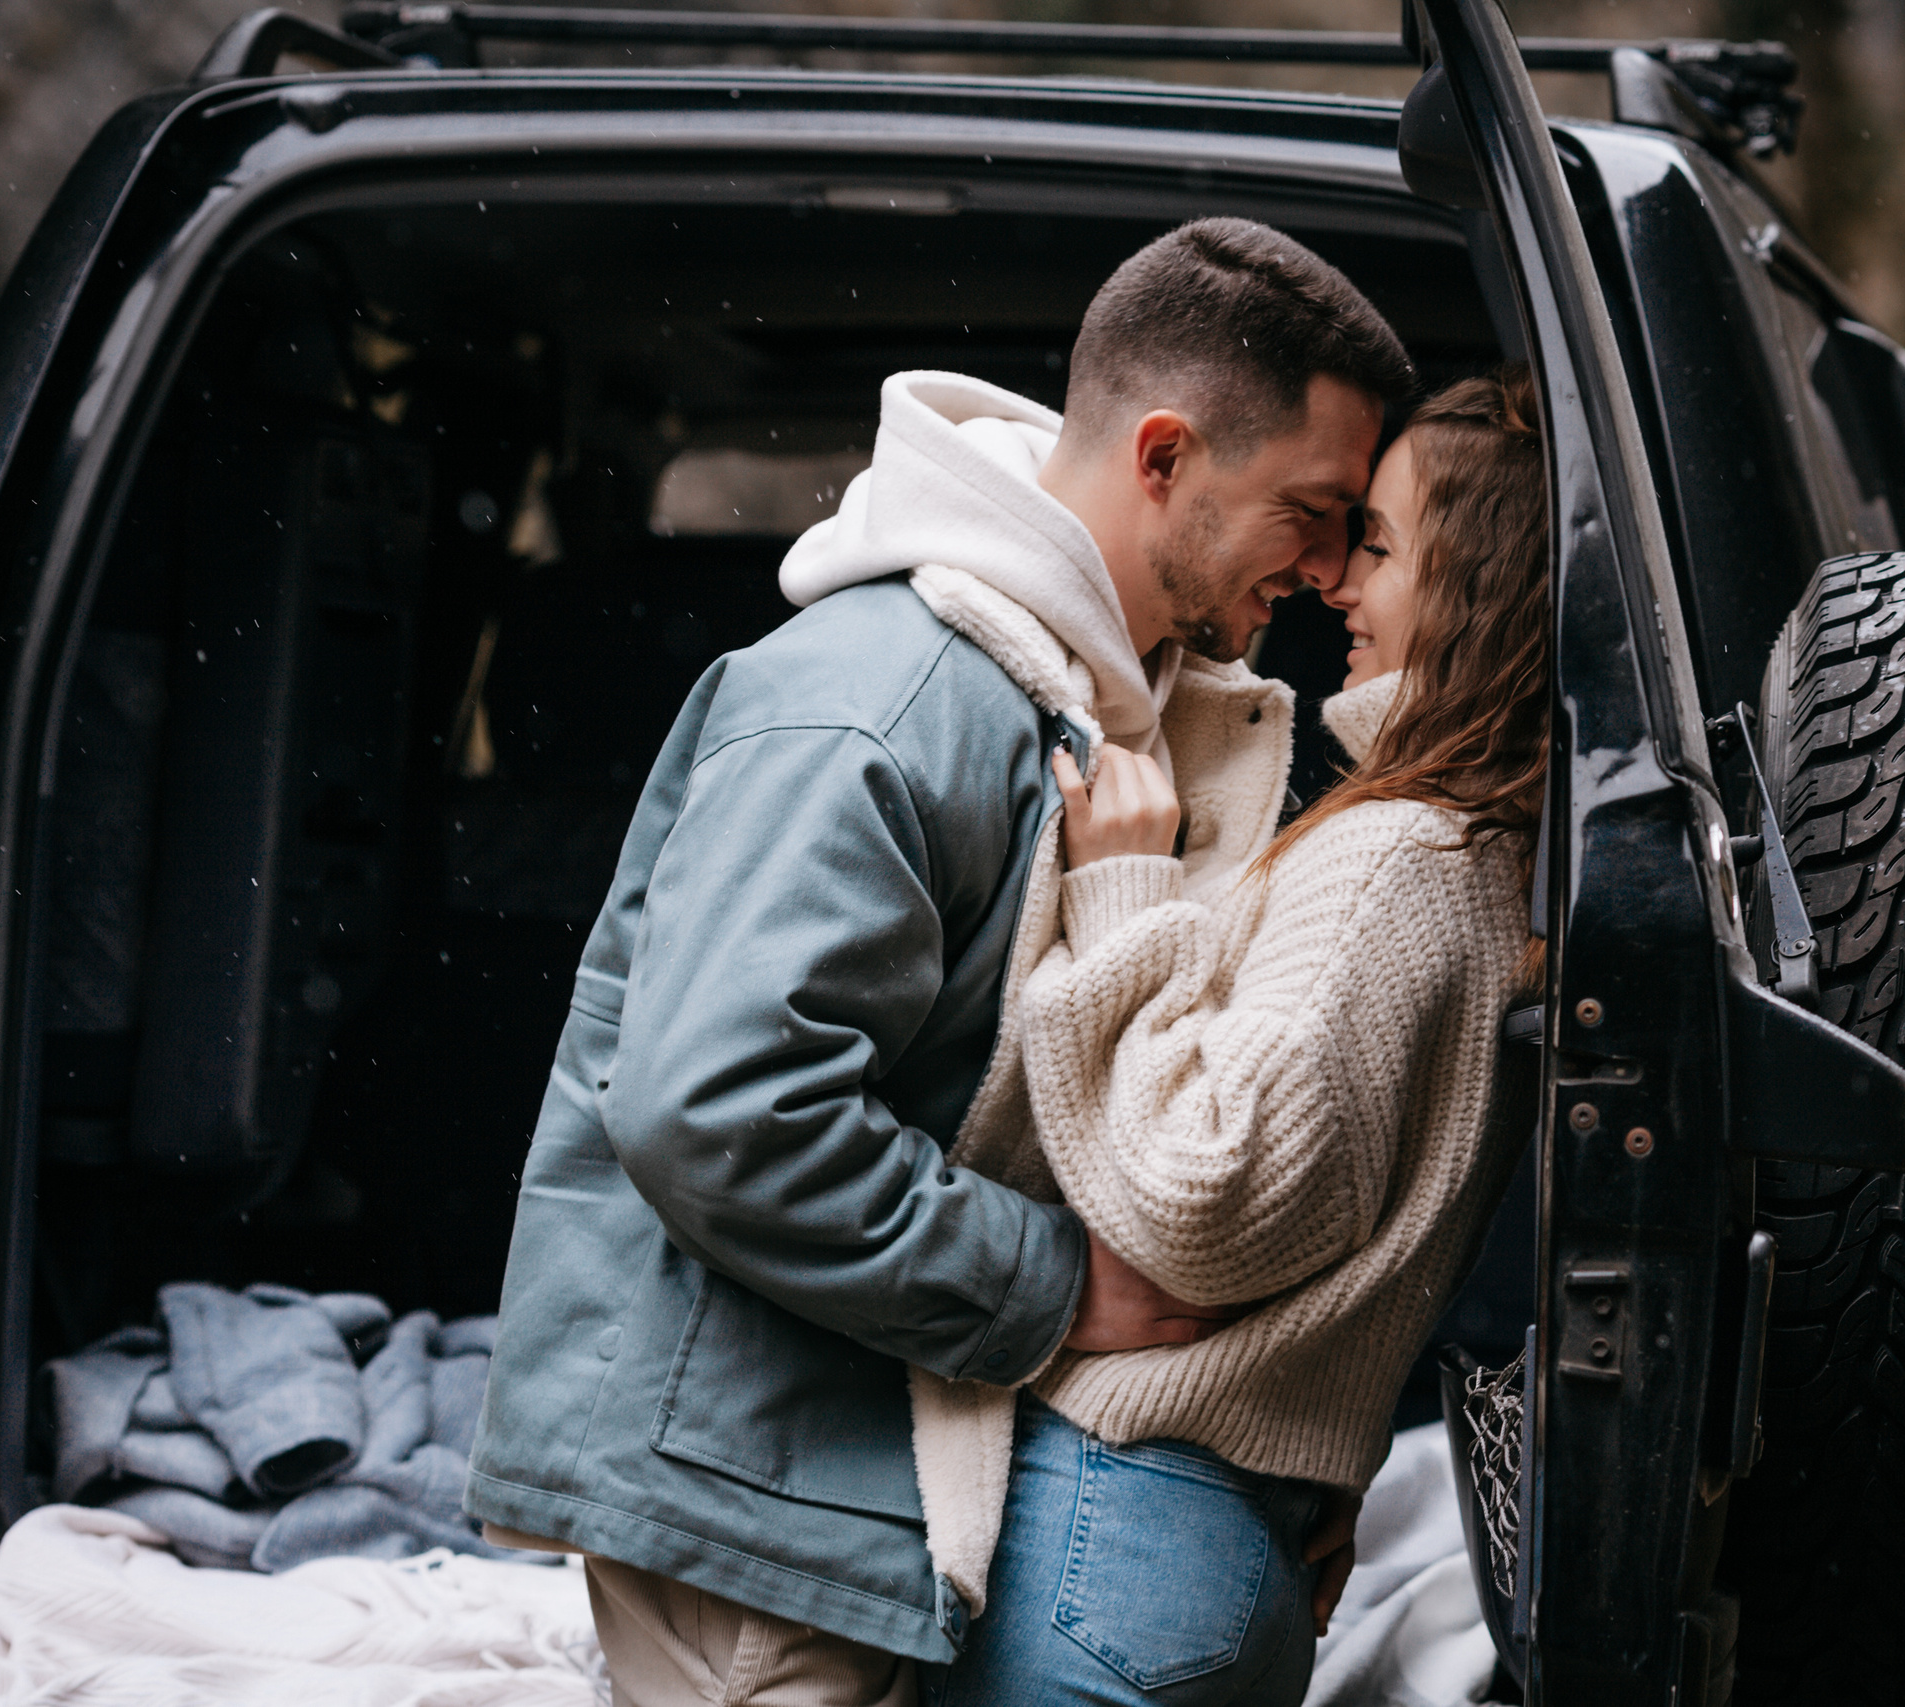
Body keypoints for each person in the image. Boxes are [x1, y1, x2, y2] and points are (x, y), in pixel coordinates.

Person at [462, 219, 1415, 1707]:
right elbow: (716, 1111)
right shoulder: (883, 705)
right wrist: (1055, 1288)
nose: (1335, 563)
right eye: (1313, 509)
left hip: (856, 1467)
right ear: (1164, 455)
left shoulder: (1119, 703)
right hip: (754, 1500)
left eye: (1360, 529)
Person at [919, 366, 1552, 1706]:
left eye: (1377, 546)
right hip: (1220, 1539)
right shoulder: (1498, 868)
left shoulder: (1392, 860)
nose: (1338, 584)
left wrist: (1125, 894)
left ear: (1474, 592)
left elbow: (1207, 1201)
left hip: (1118, 1529)